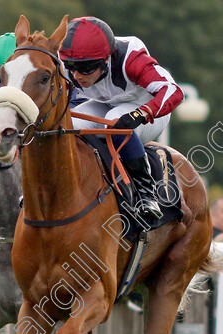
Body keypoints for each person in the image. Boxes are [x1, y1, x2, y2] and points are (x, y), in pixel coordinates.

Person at [58, 16, 185, 219]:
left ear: (106, 60)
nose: (76, 75)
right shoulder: (68, 62)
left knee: (116, 120)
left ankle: (146, 193)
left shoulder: (132, 59)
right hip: (106, 104)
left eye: (86, 68)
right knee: (68, 127)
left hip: (148, 110)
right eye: (71, 66)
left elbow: (173, 92)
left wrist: (141, 114)